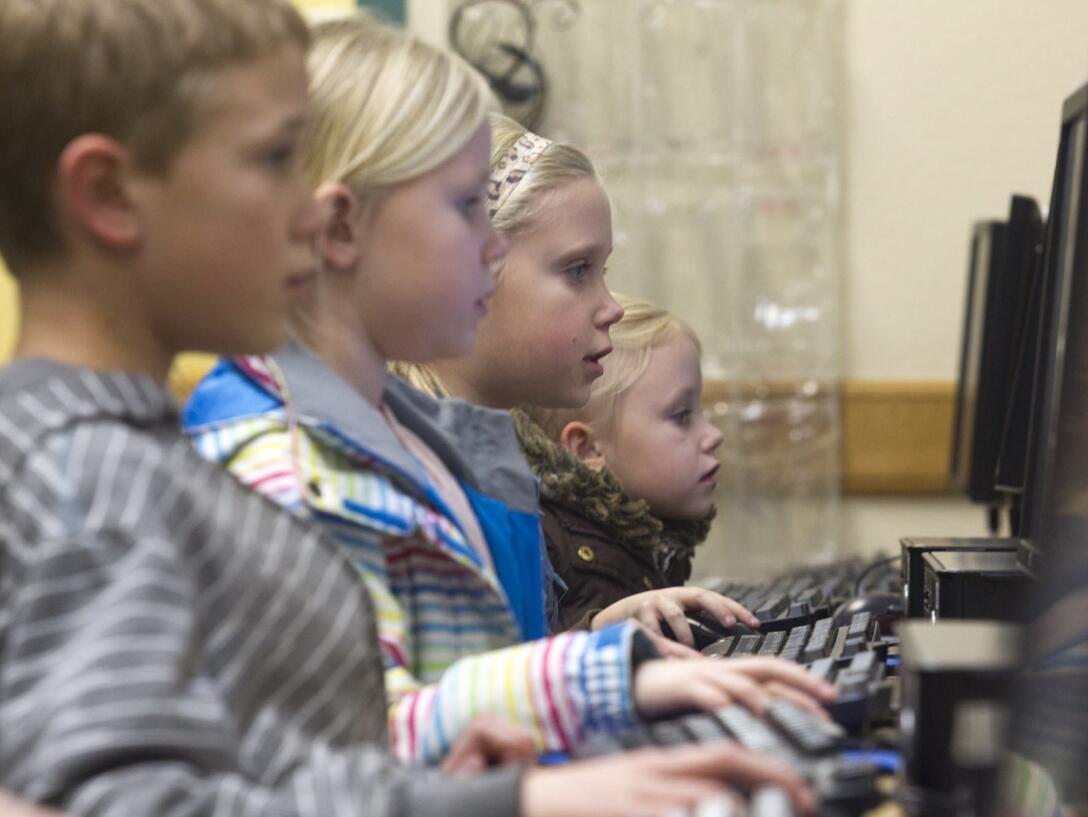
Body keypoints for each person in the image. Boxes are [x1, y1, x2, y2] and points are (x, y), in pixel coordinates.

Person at [0, 2, 817, 814]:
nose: (317, 208)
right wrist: (511, 798)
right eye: (276, 159)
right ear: (108, 197)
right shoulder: (94, 475)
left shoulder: (120, 459)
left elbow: (292, 762)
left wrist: (588, 681)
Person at [393, 115, 759, 644]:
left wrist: (596, 635)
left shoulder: (493, 465)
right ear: (466, 268)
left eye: (601, 272)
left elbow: (507, 676)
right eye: (576, 270)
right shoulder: (418, 481)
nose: (610, 308)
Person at [518, 294, 727, 633]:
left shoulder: (646, 538)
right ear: (587, 450)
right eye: (682, 416)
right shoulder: (548, 547)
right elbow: (531, 669)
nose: (713, 435)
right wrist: (599, 630)